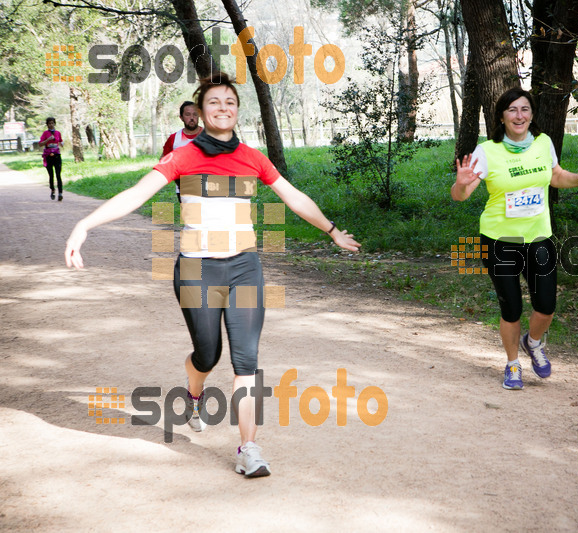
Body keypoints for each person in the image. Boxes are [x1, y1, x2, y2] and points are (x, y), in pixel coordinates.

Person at [65, 72, 361, 477]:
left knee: (246, 361)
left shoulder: (253, 158)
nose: (223, 108)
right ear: (201, 112)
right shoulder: (183, 156)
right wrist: (85, 225)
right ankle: (194, 393)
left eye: (230, 102)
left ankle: (249, 448)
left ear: (237, 111)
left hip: (244, 267)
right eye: (214, 103)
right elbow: (137, 193)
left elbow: (293, 197)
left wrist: (331, 230)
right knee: (208, 353)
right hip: (195, 269)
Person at [451, 87, 578, 390]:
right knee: (511, 308)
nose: (519, 115)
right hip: (500, 240)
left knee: (546, 307)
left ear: (531, 114)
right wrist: (461, 185)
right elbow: (461, 196)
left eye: (524, 109)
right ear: (501, 116)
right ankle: (513, 364)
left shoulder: (543, 143)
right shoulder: (487, 151)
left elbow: (555, 176)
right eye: (512, 109)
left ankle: (534, 343)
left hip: (539, 237)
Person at [162, 101, 202, 201]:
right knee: (191, 216)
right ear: (181, 118)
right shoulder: (174, 139)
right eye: (188, 114)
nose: (192, 118)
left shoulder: (210, 136)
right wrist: (177, 178)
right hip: (184, 189)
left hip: (208, 188)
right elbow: (164, 162)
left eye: (195, 114)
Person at [39, 117, 64, 201]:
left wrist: (61, 143)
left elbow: (60, 141)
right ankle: (52, 189)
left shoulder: (58, 133)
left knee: (58, 174)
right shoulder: (45, 133)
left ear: (54, 124)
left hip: (57, 155)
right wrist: (48, 139)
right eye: (49, 123)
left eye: (52, 123)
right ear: (47, 124)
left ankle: (60, 193)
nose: (51, 125)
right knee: (51, 175)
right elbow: (40, 144)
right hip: (48, 155)